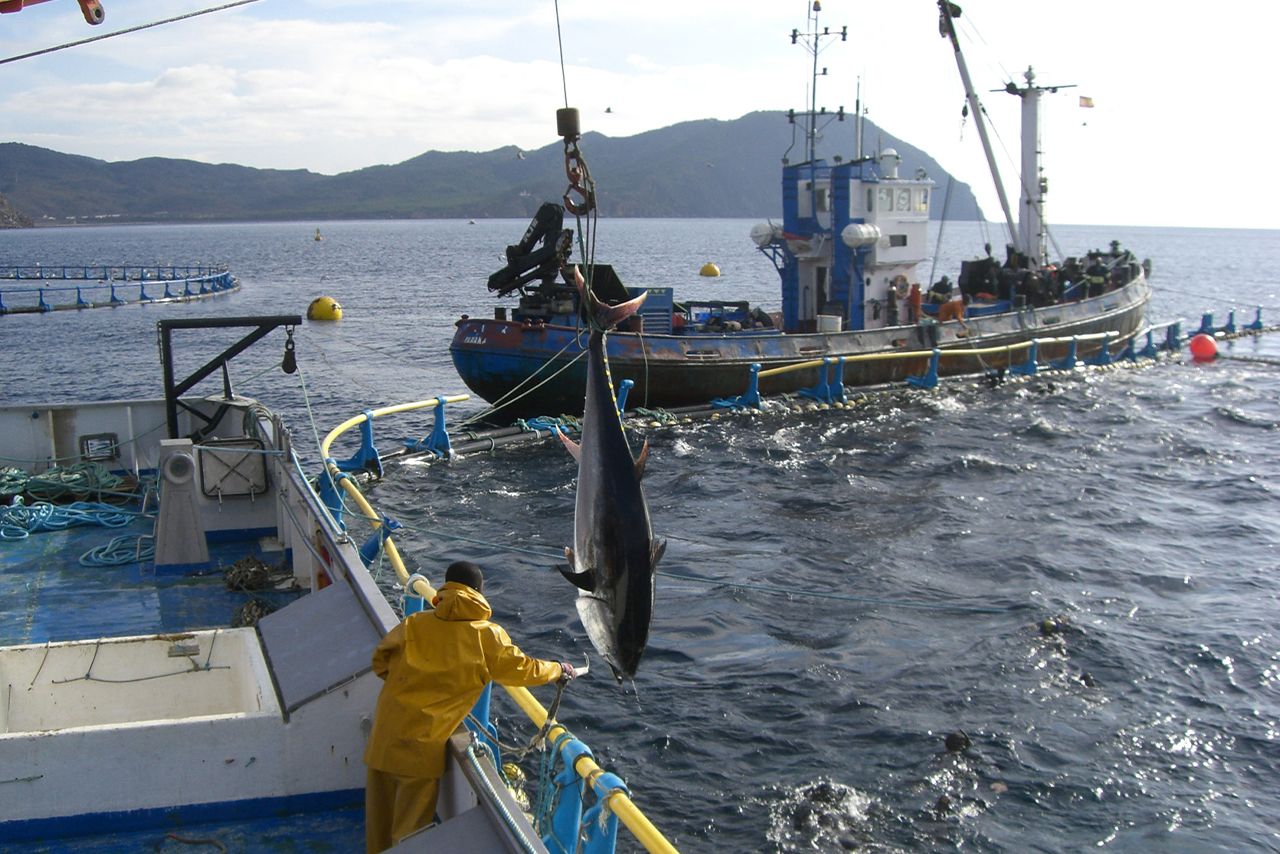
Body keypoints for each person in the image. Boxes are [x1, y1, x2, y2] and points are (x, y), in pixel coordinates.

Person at [364, 561, 574, 853]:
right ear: (479, 592)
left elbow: (380, 662)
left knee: (378, 832)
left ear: (445, 588)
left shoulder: (415, 623)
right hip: (421, 747)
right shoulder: (486, 635)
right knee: (409, 836)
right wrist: (559, 670)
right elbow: (524, 669)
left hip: (384, 736)